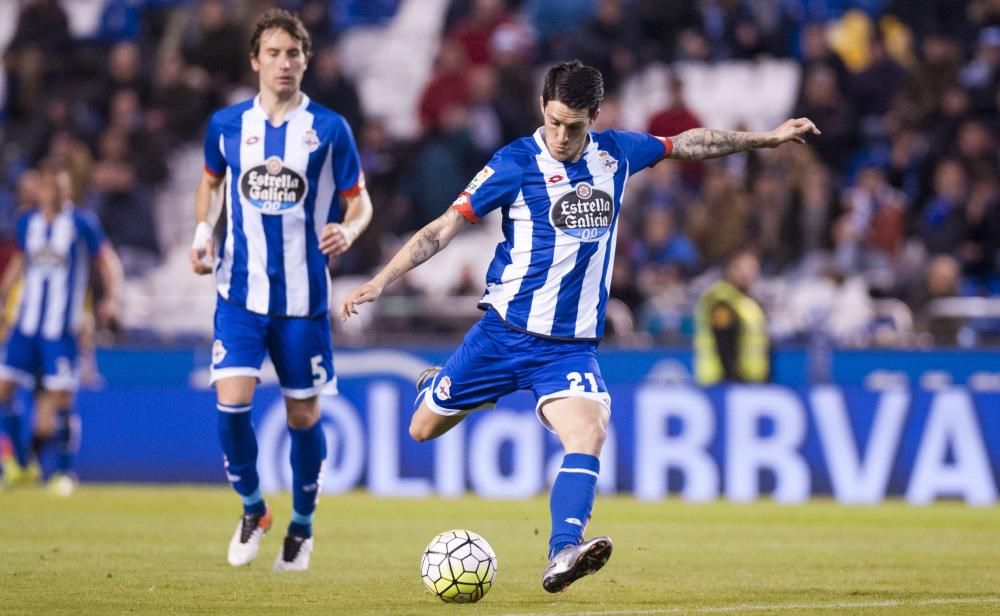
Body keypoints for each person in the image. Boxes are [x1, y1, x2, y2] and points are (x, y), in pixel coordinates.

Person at [340, 60, 818, 592]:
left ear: (595, 116)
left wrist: (768, 139)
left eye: (576, 126)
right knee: (421, 429)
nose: (563, 137)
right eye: (554, 122)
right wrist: (381, 279)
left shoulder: (615, 153)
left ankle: (563, 549)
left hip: (567, 350)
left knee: (588, 433)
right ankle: (439, 384)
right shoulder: (514, 163)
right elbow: (445, 227)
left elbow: (690, 143)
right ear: (542, 109)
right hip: (501, 336)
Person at [189, 9, 372, 572]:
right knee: (231, 404)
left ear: (305, 60)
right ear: (255, 61)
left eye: (293, 54)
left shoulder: (329, 129)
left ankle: (302, 526)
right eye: (273, 53)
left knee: (302, 419)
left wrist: (349, 227)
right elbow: (211, 183)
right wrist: (203, 233)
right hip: (239, 294)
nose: (284, 63)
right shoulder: (226, 125)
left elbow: (359, 200)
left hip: (302, 302)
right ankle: (253, 509)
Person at [0, 160, 123, 495]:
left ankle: (64, 473)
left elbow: (106, 260)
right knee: (4, 388)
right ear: (41, 186)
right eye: (51, 184)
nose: (56, 191)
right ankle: (22, 464)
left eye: (62, 186)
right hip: (25, 324)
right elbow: (20, 261)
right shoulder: (27, 222)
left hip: (61, 329)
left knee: (61, 400)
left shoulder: (82, 223)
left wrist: (111, 298)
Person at [693, 250, 770, 385]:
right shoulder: (722, 300)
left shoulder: (746, 300)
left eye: (754, 268)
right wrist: (732, 377)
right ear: (732, 269)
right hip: (721, 381)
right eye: (745, 268)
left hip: (750, 380)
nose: (749, 274)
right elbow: (723, 341)